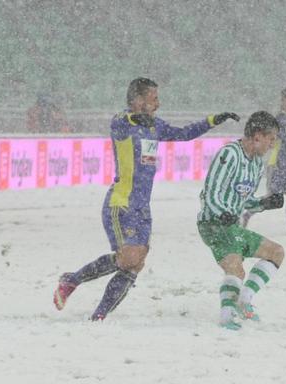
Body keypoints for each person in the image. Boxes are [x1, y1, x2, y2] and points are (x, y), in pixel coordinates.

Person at [53, 77, 239, 320]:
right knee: (128, 257)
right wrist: (135, 117)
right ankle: (72, 279)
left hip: (143, 207)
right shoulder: (122, 123)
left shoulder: (155, 126)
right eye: (154, 99)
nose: (158, 104)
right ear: (138, 100)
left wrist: (213, 120)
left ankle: (98, 316)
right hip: (121, 203)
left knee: (135, 263)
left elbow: (184, 134)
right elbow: (122, 119)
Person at [197, 111, 286, 330]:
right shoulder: (229, 154)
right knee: (235, 268)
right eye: (270, 139)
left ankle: (244, 301)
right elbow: (210, 193)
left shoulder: (256, 164)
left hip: (231, 226)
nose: (272, 145)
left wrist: (264, 203)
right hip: (213, 224)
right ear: (257, 136)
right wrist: (223, 212)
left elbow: (244, 202)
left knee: (276, 252)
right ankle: (227, 316)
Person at [241, 87, 286, 238]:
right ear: (283, 100)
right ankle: (247, 213)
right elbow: (275, 137)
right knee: (272, 199)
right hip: (279, 162)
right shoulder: (279, 119)